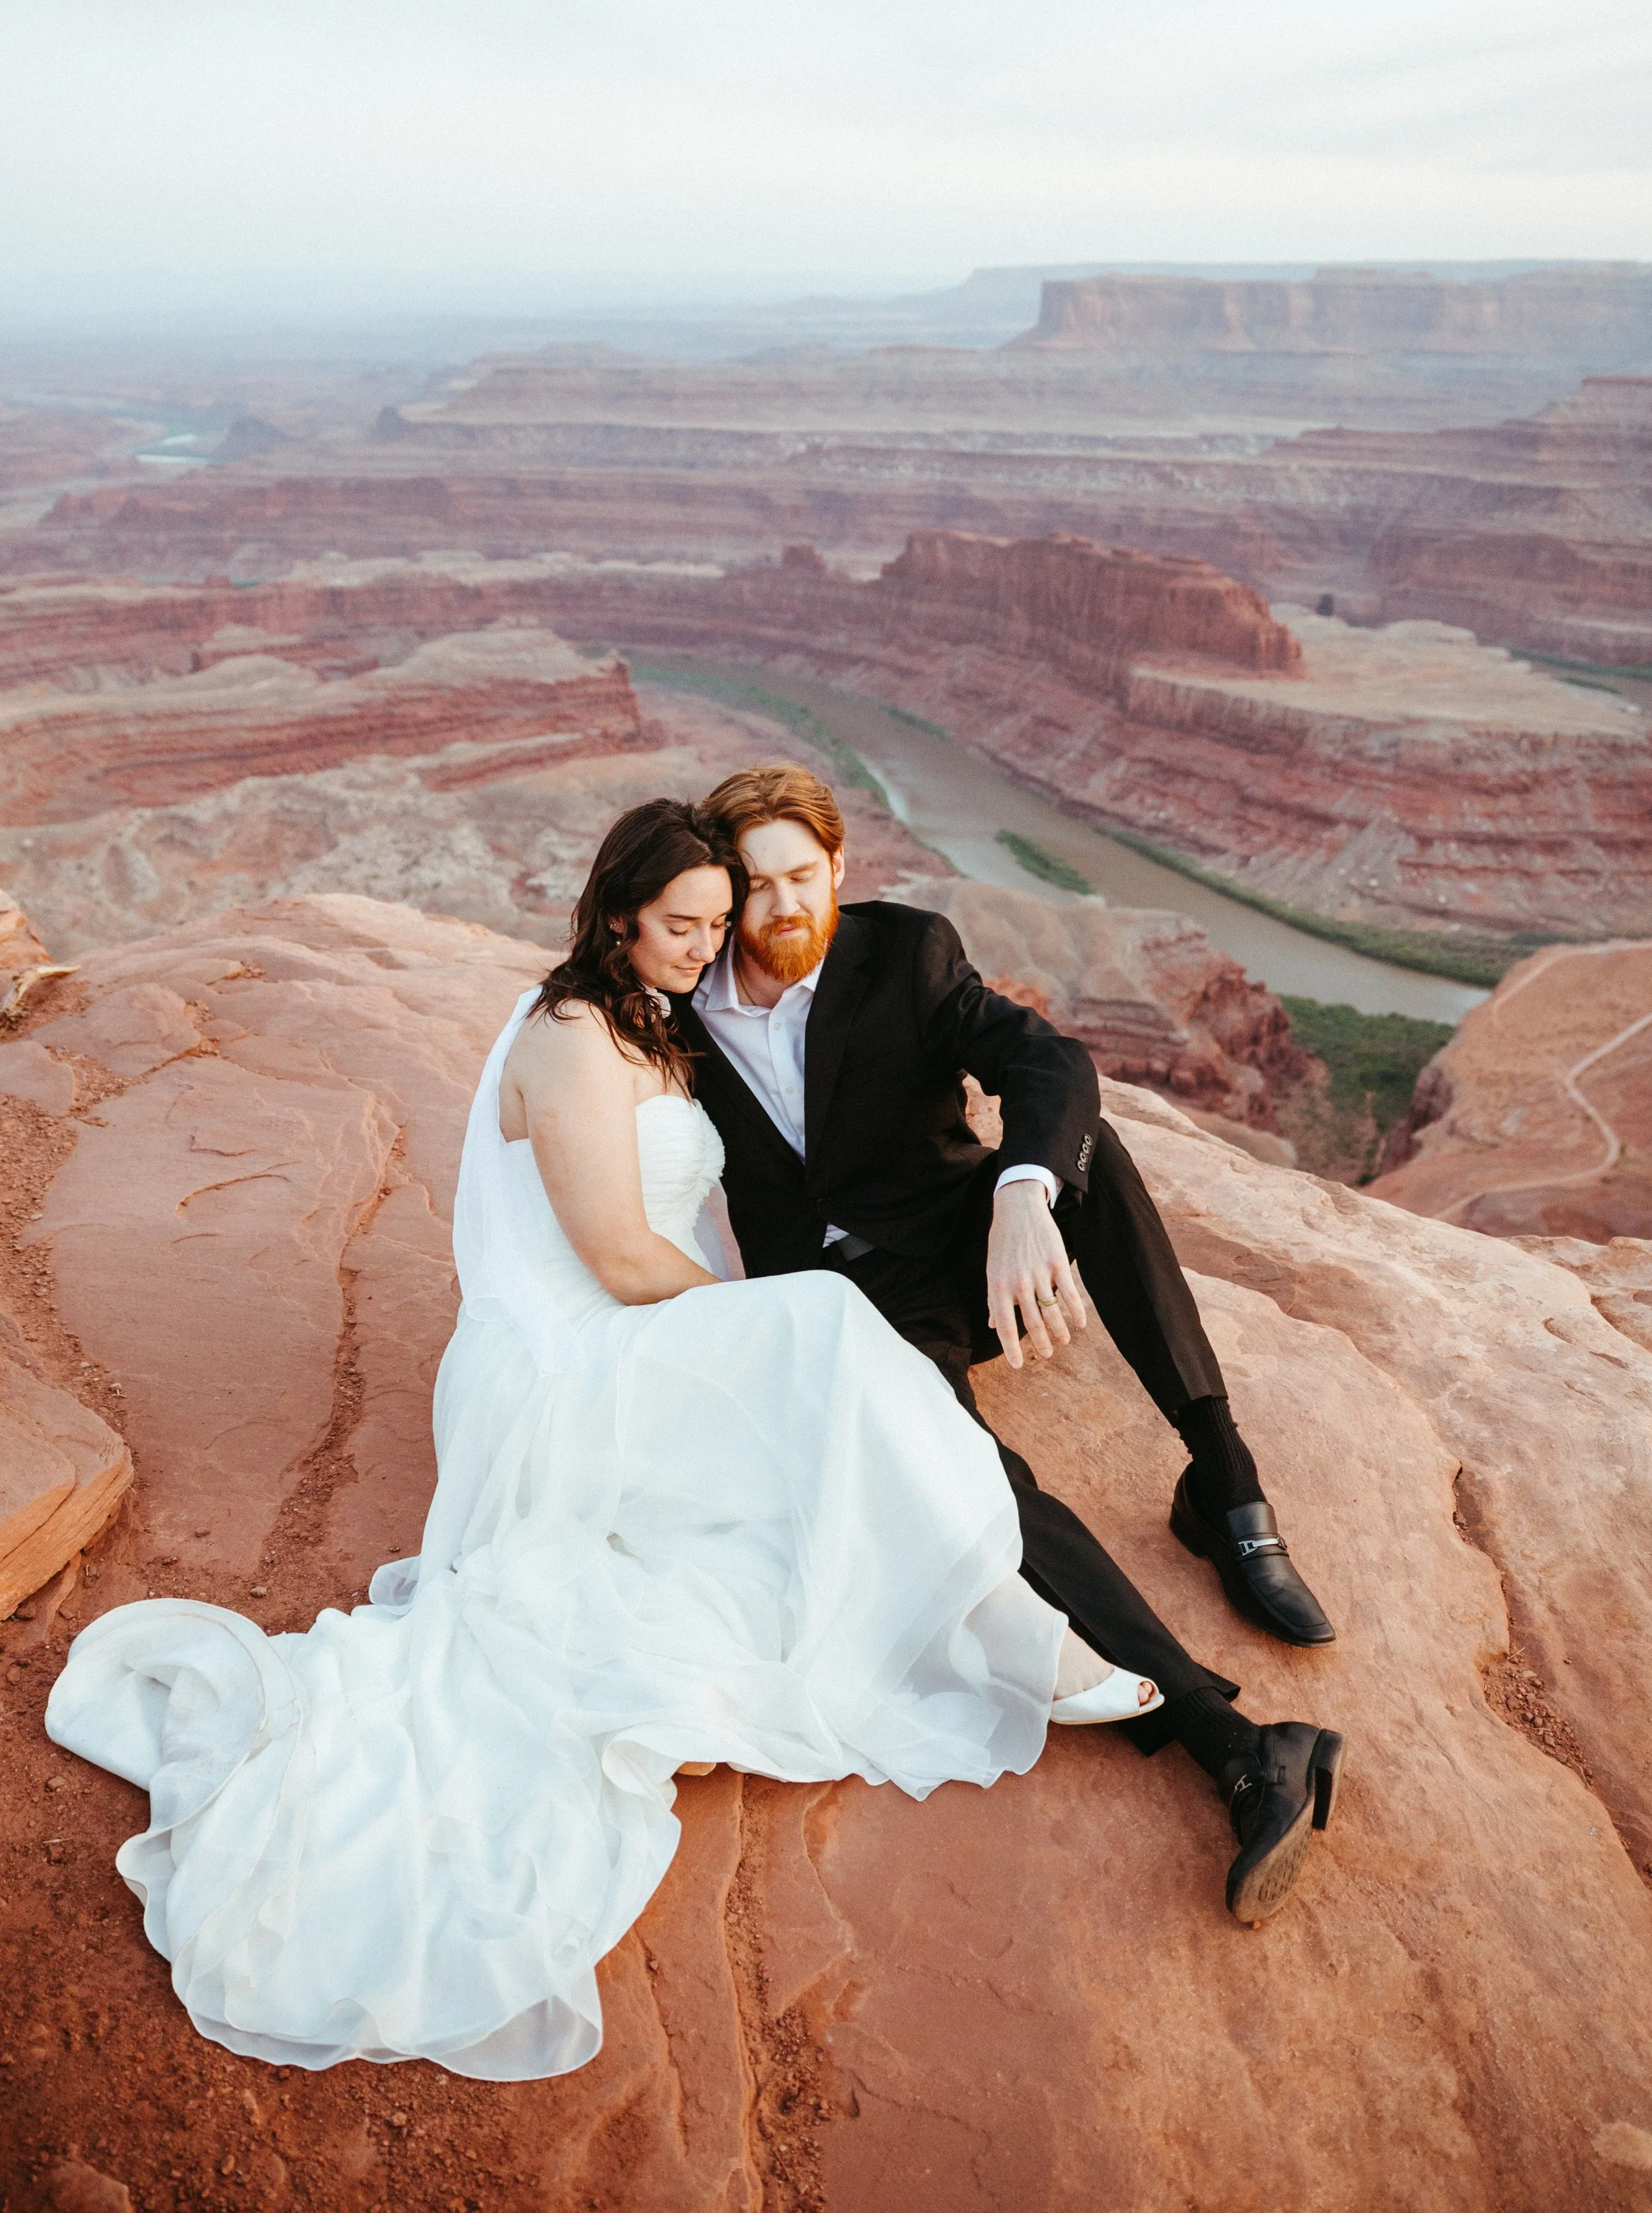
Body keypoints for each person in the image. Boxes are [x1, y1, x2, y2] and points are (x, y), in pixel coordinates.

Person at [44, 800, 1149, 2083]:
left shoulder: (651, 1021)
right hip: (564, 1361)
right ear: (614, 913)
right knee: (831, 1338)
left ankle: (987, 1611)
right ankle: (1014, 1633)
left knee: (821, 1382)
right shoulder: (571, 1034)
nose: (700, 949)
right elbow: (622, 1260)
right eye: (677, 926)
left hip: (630, 1337)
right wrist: (774, 1329)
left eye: (716, 926)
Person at [680, 761, 1345, 1923]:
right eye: (754, 885)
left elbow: (1049, 1065)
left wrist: (1022, 1192)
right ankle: (1238, 1743)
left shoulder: (905, 951)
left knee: (1093, 1162)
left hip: (960, 1241)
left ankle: (1223, 1477)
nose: (782, 906)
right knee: (972, 1481)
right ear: (722, 893)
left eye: (802, 875)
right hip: (843, 1313)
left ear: (839, 866)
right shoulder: (679, 1007)